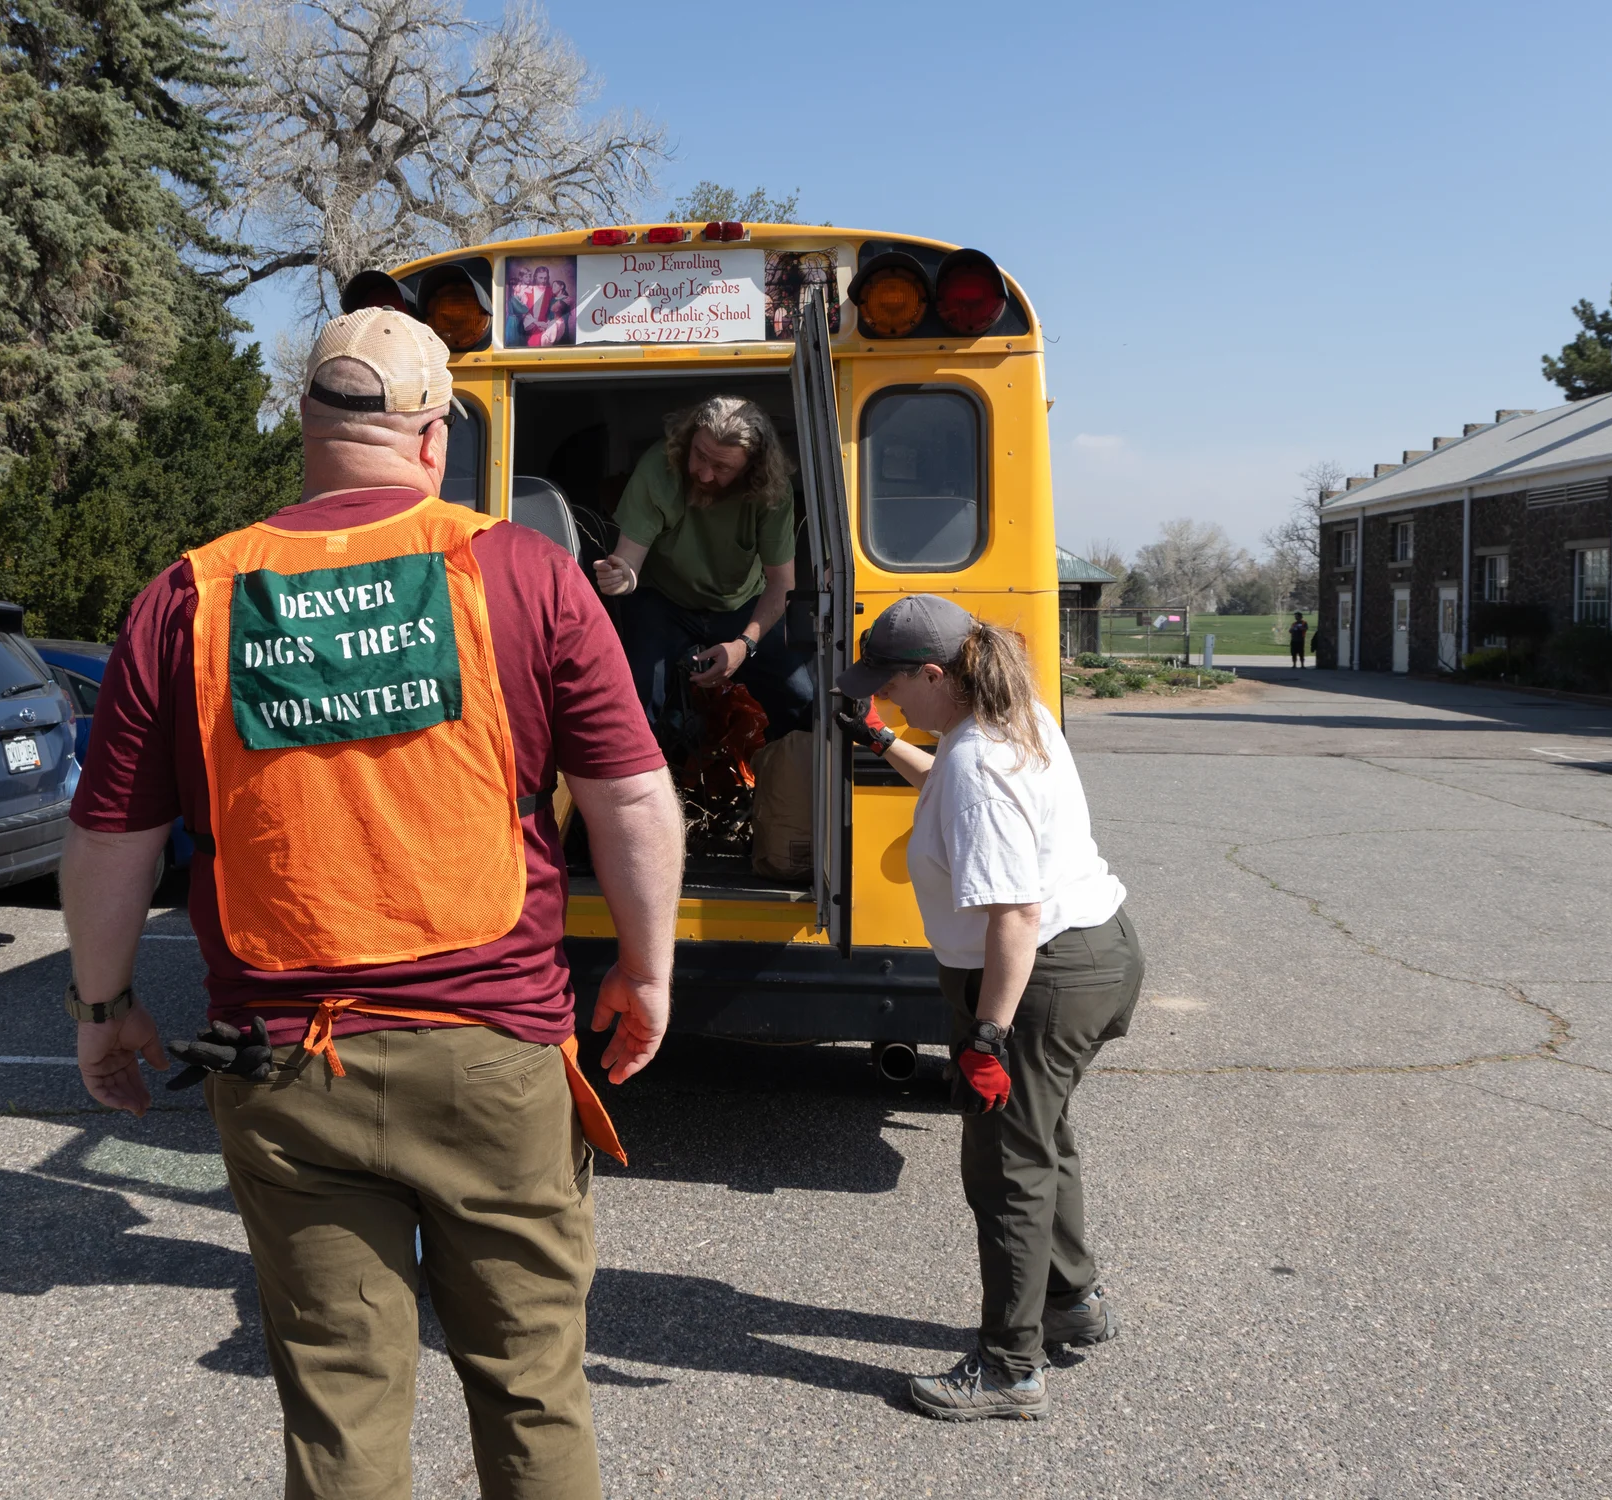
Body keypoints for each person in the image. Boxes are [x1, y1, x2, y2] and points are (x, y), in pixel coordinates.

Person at [61, 306, 685, 1498]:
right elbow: (636, 803)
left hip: (286, 1064)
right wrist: (645, 971)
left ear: (304, 425)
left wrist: (103, 1004)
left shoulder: (191, 594)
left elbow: (109, 841)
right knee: (530, 1384)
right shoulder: (523, 571)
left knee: (342, 1408)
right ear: (434, 437)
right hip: (494, 1052)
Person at [835, 596, 1144, 1422]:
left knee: (1004, 1168)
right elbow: (952, 792)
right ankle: (1070, 1299)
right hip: (1095, 950)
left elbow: (1012, 913)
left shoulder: (979, 761)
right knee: (1040, 1138)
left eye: (893, 688)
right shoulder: (1010, 715)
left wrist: (986, 1036)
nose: (888, 698)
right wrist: (879, 740)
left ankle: (1009, 1368)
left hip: (1037, 973)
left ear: (934, 674)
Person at [591, 396, 814, 734]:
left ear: (752, 470)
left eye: (722, 467)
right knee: (634, 704)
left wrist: (744, 645)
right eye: (699, 455)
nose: (704, 473)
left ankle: (780, 777)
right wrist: (620, 578)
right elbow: (629, 563)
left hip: (742, 605)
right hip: (663, 601)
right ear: (689, 438)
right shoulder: (659, 466)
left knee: (801, 699)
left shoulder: (773, 491)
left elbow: (781, 584)